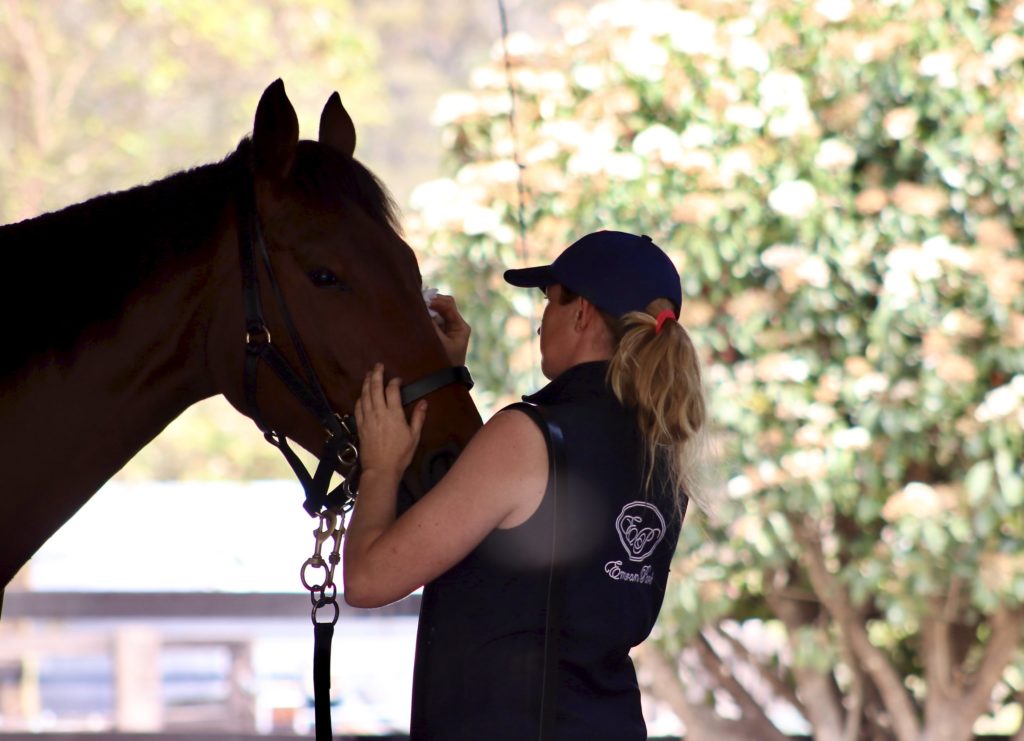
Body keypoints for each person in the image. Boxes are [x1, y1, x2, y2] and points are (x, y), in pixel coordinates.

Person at [343, 230, 709, 741]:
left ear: (581, 311)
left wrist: (380, 469)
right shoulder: (664, 453)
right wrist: (450, 377)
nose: (542, 320)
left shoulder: (531, 434)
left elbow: (367, 580)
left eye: (549, 301)